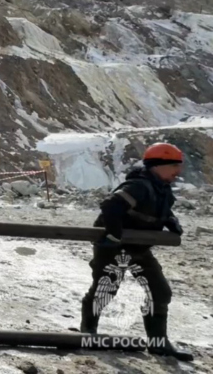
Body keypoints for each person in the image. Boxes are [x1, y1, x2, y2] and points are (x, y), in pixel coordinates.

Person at [79, 142, 193, 361]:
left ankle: (158, 344)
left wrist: (172, 221)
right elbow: (111, 205)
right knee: (106, 288)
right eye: (174, 166)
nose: (177, 172)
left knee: (160, 292)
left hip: (139, 248)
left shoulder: (162, 189)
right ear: (158, 166)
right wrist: (113, 235)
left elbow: (161, 211)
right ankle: (88, 331)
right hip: (113, 247)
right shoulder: (139, 186)